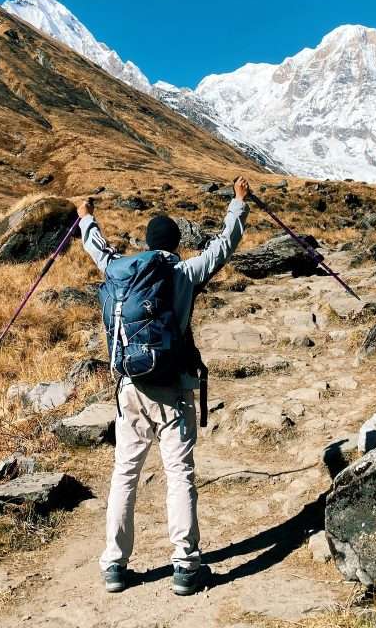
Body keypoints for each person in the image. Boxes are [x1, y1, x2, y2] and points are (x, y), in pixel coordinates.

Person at [77, 176, 251, 596]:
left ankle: (115, 566)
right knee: (179, 474)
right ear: (174, 244)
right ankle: (186, 566)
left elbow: (97, 250)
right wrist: (238, 204)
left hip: (129, 389)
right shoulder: (184, 273)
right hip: (172, 389)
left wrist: (86, 218)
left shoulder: (123, 271)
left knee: (124, 475)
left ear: (147, 242)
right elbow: (222, 248)